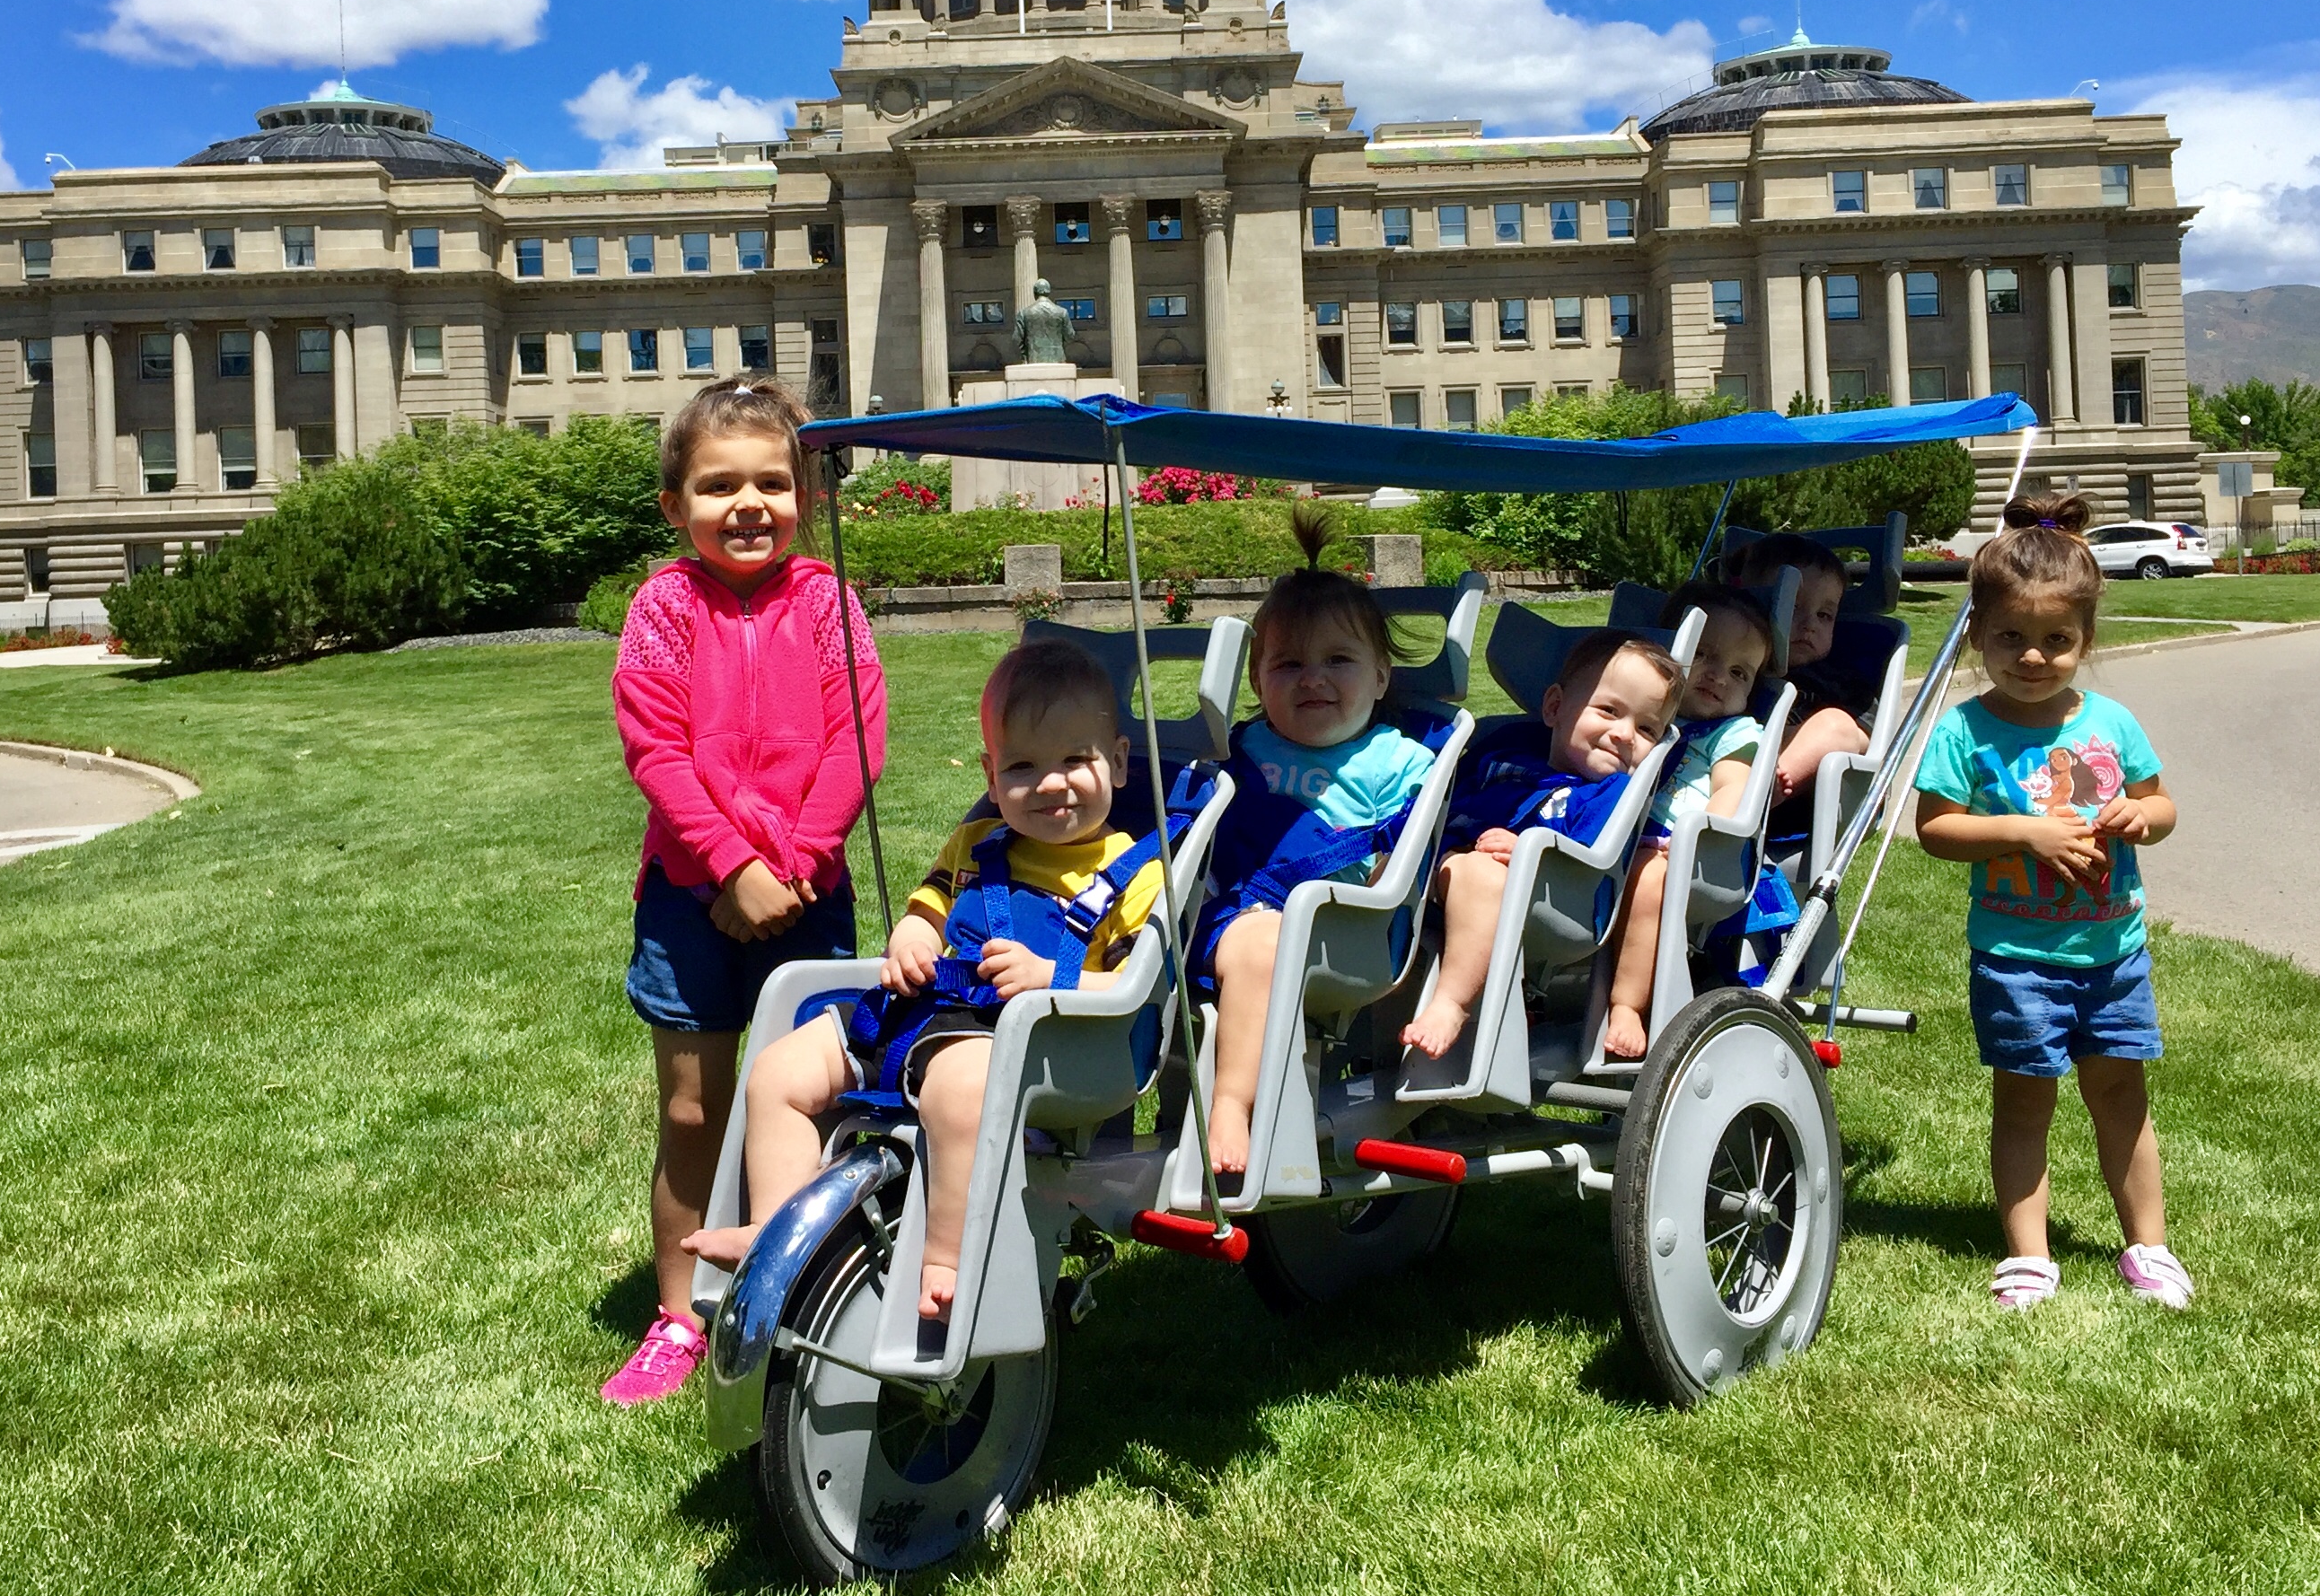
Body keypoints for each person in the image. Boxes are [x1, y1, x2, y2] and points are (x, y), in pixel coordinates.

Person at [681, 638, 1169, 1321]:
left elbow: (1138, 990)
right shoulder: (980, 843)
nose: (1052, 783)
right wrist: (912, 937)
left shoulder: (1141, 873)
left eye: (1075, 760)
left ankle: (946, 1256)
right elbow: (930, 905)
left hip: (1034, 1044)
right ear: (991, 777)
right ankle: (773, 1229)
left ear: (1117, 762)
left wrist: (1050, 978)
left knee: (959, 1089)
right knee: (778, 1073)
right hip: (917, 1015)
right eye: (1023, 767)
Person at [603, 378, 885, 1404]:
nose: (750, 504)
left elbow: (860, 737)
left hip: (812, 894)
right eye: (719, 486)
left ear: (805, 492)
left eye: (773, 480)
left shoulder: (828, 601)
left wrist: (796, 865)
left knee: (809, 1102)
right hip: (690, 899)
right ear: (676, 505)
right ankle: (679, 1314)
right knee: (691, 1109)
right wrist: (733, 868)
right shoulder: (664, 607)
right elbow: (657, 750)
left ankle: (804, 1291)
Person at [1913, 492, 2189, 1313]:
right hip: (2016, 958)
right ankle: (2029, 1256)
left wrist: (2144, 816)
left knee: (2121, 1098)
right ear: (1977, 635)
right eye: (2011, 639)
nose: (2033, 659)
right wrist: (2024, 834)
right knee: (2024, 1100)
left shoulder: (2110, 722)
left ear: (2085, 640)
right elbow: (1935, 829)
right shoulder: (1966, 731)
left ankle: (2149, 1246)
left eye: (2056, 641)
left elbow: (2164, 805)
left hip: (2112, 953)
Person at [1191, 509, 1443, 1178]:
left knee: (1259, 944)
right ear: (1256, 681)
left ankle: (1232, 1106)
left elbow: (1409, 859)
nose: (1313, 679)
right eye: (1289, 664)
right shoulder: (1241, 747)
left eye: (1339, 661)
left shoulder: (1399, 762)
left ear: (1382, 678)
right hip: (1222, 911)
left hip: (1347, 935)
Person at [1398, 631, 1681, 1063]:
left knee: (1482, 874)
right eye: (1608, 710)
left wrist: (1535, 852)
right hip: (1446, 865)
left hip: (1553, 901)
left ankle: (1451, 1006)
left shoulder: (1611, 793)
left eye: (1647, 728)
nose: (1625, 734)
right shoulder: (1507, 756)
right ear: (1554, 708)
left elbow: (1591, 859)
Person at [1593, 583, 1781, 1059]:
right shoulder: (1644, 719)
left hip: (1691, 857)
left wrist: (1696, 837)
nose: (1719, 676)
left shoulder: (1735, 731)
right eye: (1703, 655)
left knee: (1649, 879)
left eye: (1739, 672)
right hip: (1618, 838)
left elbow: (1733, 790)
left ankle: (1628, 1005)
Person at [1720, 534, 1870, 831]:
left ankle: (1758, 797)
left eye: (1825, 615)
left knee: (1836, 725)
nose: (1810, 624)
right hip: (1723, 766)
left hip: (1791, 792)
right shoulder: (1731, 664)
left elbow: (1866, 739)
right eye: (1793, 606)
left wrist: (1791, 738)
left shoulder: (1838, 678)